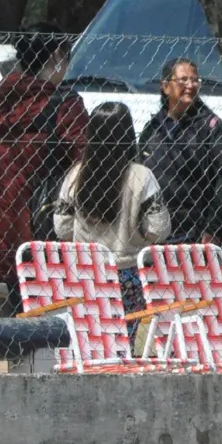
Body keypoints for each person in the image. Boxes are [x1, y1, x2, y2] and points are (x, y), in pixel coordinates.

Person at [0, 22, 88, 313]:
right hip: (47, 226)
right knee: (53, 322)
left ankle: (20, 359)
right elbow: (85, 161)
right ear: (55, 57)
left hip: (2, 222)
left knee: (16, 320)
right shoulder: (65, 105)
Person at [52, 102, 170, 330]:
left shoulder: (75, 175)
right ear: (127, 134)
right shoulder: (142, 176)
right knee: (124, 337)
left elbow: (62, 227)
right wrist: (139, 235)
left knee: (90, 335)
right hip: (126, 273)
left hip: (84, 272)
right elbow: (159, 228)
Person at [139, 58, 222, 249]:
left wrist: (215, 229)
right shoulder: (152, 129)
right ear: (165, 86)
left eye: (195, 80)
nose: (190, 85)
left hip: (196, 237)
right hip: (154, 234)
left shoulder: (211, 128)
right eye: (183, 80)